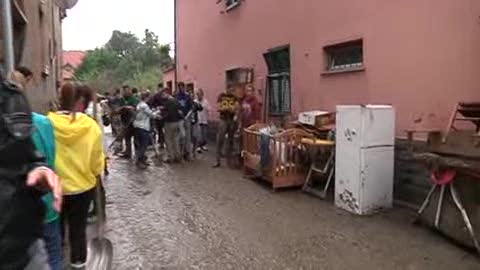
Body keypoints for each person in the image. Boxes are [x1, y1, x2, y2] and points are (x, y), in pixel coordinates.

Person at [0, 71, 62, 270]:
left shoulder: (12, 100)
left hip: (24, 244)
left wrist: (40, 169)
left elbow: (28, 158)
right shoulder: (45, 122)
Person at [48, 83, 105, 269]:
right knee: (78, 229)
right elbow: (97, 158)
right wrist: (97, 172)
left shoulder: (46, 122)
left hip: (54, 187)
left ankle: (55, 261)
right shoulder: (90, 126)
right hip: (82, 188)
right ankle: (78, 263)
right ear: (80, 102)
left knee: (55, 229)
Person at [32, 112, 63, 270]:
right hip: (47, 204)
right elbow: (51, 160)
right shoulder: (43, 123)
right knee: (53, 255)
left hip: (13, 218)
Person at [214, 87, 239, 167]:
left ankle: (229, 161)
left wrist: (235, 113)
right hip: (223, 119)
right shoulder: (221, 96)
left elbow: (237, 108)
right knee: (220, 139)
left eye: (232, 89)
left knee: (230, 140)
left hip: (231, 120)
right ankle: (218, 161)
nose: (231, 90)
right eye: (230, 89)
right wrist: (227, 108)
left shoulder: (234, 98)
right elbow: (218, 107)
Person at [134, 92, 159, 169]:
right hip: (143, 127)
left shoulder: (139, 105)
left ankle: (142, 160)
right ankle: (139, 161)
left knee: (141, 144)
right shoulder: (144, 106)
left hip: (137, 126)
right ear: (147, 98)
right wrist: (158, 112)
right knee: (144, 145)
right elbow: (151, 114)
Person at [161, 88, 184, 163]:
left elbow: (168, 113)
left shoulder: (168, 102)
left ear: (167, 93)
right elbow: (180, 111)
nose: (162, 96)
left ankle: (170, 157)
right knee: (175, 140)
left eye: (163, 94)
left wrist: (162, 116)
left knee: (168, 140)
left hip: (169, 123)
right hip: (177, 122)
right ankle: (178, 156)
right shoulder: (176, 100)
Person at [119, 85, 139, 159]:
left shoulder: (134, 99)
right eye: (124, 91)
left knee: (136, 139)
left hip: (134, 122)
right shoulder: (122, 99)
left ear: (130, 90)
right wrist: (123, 108)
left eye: (127, 90)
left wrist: (129, 108)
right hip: (125, 121)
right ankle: (128, 153)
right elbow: (119, 109)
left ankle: (138, 154)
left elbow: (136, 108)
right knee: (127, 138)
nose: (126, 92)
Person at [176, 82, 193, 160]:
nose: (180, 88)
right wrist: (178, 111)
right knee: (180, 137)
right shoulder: (176, 97)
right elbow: (175, 107)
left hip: (187, 118)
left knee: (188, 137)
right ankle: (180, 153)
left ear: (184, 87)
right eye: (179, 87)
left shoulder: (188, 97)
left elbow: (191, 108)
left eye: (182, 87)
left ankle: (187, 153)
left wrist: (187, 116)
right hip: (179, 119)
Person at [148, 83, 167, 148]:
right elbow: (151, 104)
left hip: (162, 114)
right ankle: (161, 142)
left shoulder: (158, 95)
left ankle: (162, 142)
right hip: (160, 114)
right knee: (160, 129)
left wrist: (155, 108)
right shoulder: (157, 95)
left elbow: (151, 104)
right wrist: (156, 108)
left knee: (161, 129)